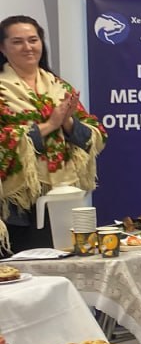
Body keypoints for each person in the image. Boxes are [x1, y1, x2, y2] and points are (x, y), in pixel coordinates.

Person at [0, 15, 107, 254]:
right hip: (16, 206)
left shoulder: (59, 87)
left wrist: (67, 122)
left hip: (63, 199)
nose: (28, 47)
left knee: (66, 262)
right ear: (3, 48)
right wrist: (50, 125)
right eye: (17, 42)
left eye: (33, 40)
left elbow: (96, 134)